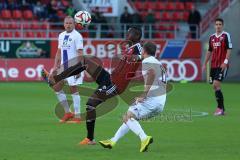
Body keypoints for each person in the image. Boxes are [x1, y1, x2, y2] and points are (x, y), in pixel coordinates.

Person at [43, 27, 143, 145]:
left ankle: (90, 139)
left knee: (91, 104)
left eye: (129, 33)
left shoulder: (138, 48)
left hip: (116, 85)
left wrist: (137, 58)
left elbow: (143, 57)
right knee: (84, 61)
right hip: (109, 78)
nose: (126, 34)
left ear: (135, 36)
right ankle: (56, 79)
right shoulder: (130, 48)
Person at [99, 42, 167, 152]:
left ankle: (144, 138)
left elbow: (151, 73)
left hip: (152, 100)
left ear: (144, 51)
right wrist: (134, 57)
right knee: (130, 118)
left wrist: (144, 93)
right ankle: (112, 141)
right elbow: (144, 61)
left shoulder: (147, 61)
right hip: (160, 102)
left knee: (128, 117)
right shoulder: (157, 62)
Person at [42, 16, 84, 123]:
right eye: (66, 23)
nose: (68, 25)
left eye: (70, 23)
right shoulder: (61, 35)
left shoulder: (77, 36)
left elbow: (80, 53)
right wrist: (55, 66)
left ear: (74, 24)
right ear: (64, 24)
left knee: (73, 89)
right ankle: (68, 113)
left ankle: (78, 116)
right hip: (62, 67)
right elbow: (59, 52)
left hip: (73, 66)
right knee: (56, 87)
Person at [202, 18, 232, 116]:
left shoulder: (226, 35)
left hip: (222, 65)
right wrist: (205, 63)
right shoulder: (212, 37)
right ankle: (222, 109)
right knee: (215, 87)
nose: (218, 26)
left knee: (215, 84)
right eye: (216, 24)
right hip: (213, 65)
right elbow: (209, 51)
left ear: (222, 26)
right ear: (214, 26)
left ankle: (219, 108)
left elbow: (229, 49)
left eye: (220, 24)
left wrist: (225, 62)